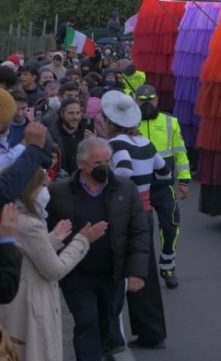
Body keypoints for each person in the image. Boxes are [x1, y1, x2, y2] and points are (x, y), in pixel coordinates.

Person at [49, 137, 149, 361]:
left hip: (112, 274)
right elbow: (48, 234)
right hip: (76, 276)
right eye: (97, 164)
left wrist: (136, 272)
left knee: (106, 324)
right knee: (87, 324)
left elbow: (139, 231)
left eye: (107, 161)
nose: (104, 168)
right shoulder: (59, 192)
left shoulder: (125, 188)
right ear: (81, 164)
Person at [0, 166, 107, 361]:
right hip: (32, 309)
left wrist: (53, 239)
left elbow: (25, 254)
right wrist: (82, 240)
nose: (46, 188)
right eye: (41, 185)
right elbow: (54, 269)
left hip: (16, 307)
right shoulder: (28, 223)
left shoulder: (11, 217)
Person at [102, 91, 168, 349]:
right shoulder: (146, 144)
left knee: (118, 270)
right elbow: (164, 173)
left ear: (110, 120)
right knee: (145, 270)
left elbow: (124, 172)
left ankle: (114, 337)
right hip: (147, 212)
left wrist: (108, 182)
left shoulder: (117, 144)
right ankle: (152, 331)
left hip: (126, 213)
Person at [134, 85, 191, 289]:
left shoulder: (171, 121)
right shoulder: (127, 123)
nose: (147, 103)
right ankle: (138, 270)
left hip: (164, 186)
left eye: (151, 99)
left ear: (157, 100)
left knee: (171, 226)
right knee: (139, 231)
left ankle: (168, 267)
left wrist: (184, 180)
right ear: (135, 101)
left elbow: (180, 153)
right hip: (137, 187)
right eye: (142, 100)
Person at [46, 98, 92, 180]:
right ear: (62, 114)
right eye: (71, 113)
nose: (75, 117)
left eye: (78, 113)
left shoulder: (87, 132)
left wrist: (91, 144)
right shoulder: (51, 134)